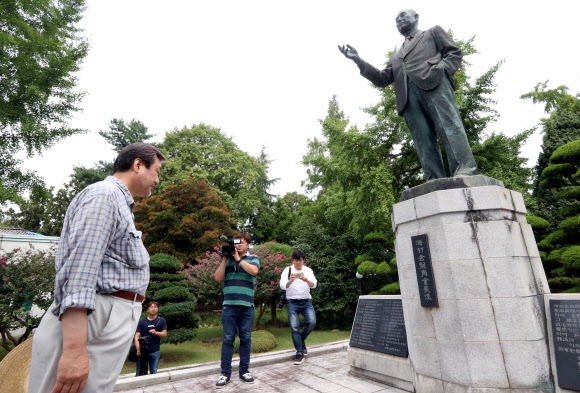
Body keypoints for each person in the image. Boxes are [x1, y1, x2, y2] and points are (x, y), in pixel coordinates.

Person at [28, 143, 166, 393]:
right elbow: (79, 273)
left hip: (105, 317)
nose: (158, 180)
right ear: (137, 165)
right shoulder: (104, 196)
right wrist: (73, 351)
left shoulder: (117, 202)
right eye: (156, 171)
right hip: (95, 317)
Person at [338, 9, 477, 182]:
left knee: (449, 126)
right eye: (396, 19)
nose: (399, 19)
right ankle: (434, 177)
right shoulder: (397, 56)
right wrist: (358, 60)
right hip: (408, 99)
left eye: (403, 15)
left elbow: (454, 52)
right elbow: (382, 79)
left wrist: (441, 71)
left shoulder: (433, 32)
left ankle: (465, 167)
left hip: (435, 85)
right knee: (423, 140)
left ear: (416, 17)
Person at [213, 233, 260, 389]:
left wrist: (238, 259)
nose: (238, 245)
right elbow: (218, 278)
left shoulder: (253, 259)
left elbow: (254, 271)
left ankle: (244, 371)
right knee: (228, 339)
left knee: (245, 338)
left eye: (242, 243)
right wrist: (225, 259)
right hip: (229, 305)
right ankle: (225, 373)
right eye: (236, 243)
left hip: (246, 306)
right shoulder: (227, 261)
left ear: (248, 245)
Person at [279, 250, 317, 365]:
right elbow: (282, 285)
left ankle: (300, 341)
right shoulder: (288, 270)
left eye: (300, 260)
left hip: (306, 301)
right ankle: (299, 352)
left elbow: (314, 285)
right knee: (294, 327)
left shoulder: (308, 271)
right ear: (293, 260)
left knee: (312, 322)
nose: (298, 262)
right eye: (296, 260)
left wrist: (306, 280)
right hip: (292, 302)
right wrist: (290, 281)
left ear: (303, 260)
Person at [134, 301, 168, 376]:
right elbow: (137, 336)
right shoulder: (141, 321)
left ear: (157, 309)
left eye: (155, 307)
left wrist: (156, 332)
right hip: (142, 351)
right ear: (147, 310)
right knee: (140, 372)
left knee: (154, 372)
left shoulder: (161, 320)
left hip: (155, 350)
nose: (153, 309)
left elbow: (165, 334)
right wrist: (138, 349)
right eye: (151, 307)